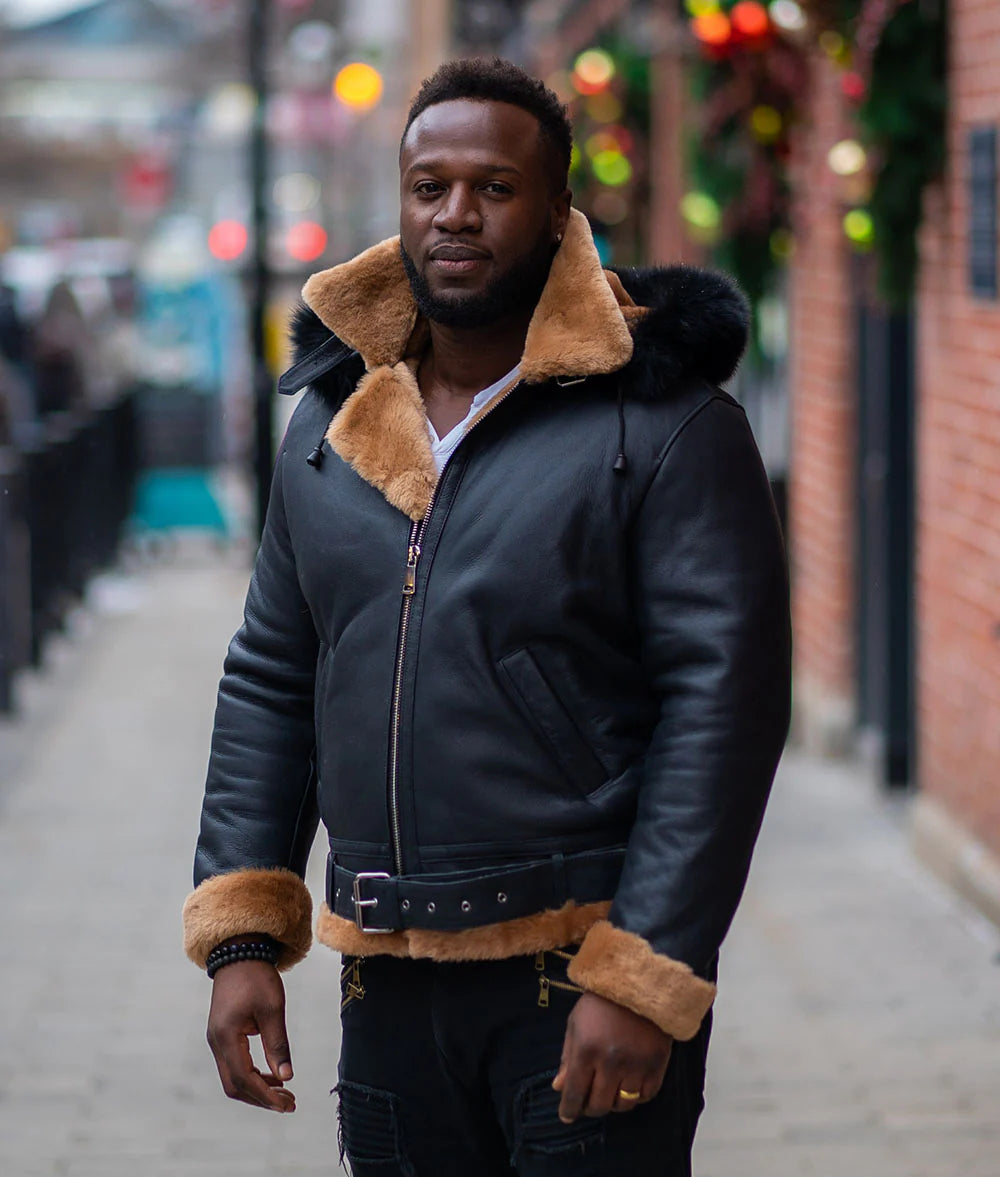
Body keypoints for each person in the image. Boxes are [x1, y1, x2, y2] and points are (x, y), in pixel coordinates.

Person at [183, 58, 791, 1177]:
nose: (455, 213)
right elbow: (274, 669)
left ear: (558, 211)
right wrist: (240, 935)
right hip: (387, 983)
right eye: (429, 185)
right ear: (402, 200)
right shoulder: (332, 420)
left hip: (574, 972)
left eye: (494, 188)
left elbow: (726, 709)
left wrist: (645, 974)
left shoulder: (662, 423)